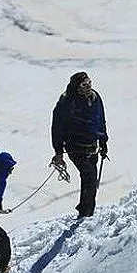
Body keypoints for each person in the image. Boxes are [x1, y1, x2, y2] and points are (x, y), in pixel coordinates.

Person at [50, 71, 109, 219]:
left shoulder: (95, 98)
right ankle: (85, 212)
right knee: (89, 177)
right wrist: (58, 151)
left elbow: (100, 119)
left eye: (89, 82)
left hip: (92, 145)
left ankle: (88, 210)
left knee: (91, 179)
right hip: (74, 146)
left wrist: (103, 140)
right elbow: (57, 127)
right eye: (84, 84)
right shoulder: (67, 102)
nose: (88, 86)